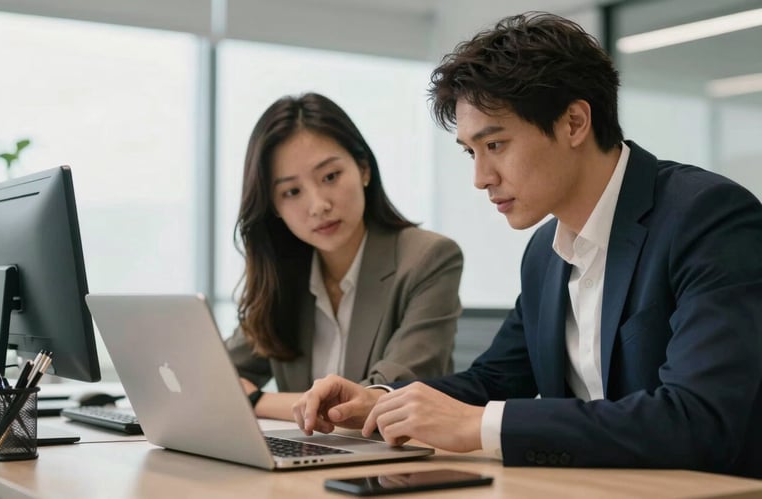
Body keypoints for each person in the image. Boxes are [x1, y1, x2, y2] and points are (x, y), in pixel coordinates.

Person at [292, 13, 762, 478]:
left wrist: (482, 425)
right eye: (470, 152)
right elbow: (492, 380)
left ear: (574, 123)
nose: (481, 178)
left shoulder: (706, 217)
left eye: (495, 145)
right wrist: (381, 401)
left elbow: (698, 419)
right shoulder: (545, 253)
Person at [225, 92, 463, 421]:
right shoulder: (286, 275)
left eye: (330, 177)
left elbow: (386, 397)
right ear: (274, 207)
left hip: (392, 465)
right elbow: (217, 379)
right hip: (306, 460)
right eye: (292, 192)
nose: (318, 204)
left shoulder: (429, 259)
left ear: (363, 169)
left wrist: (257, 401)